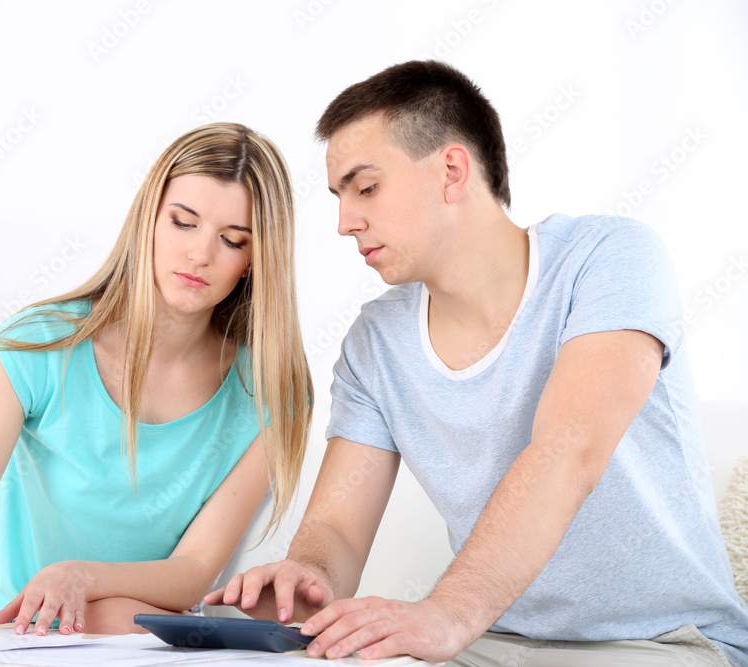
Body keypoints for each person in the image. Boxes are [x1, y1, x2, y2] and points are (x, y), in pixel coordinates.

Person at [206, 61, 748, 666]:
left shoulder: (610, 258)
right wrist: (303, 578)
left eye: (366, 187)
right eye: (339, 197)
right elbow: (335, 531)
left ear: (452, 170)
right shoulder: (375, 343)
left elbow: (568, 451)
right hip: (491, 644)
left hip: (664, 642)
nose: (344, 223)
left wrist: (446, 613)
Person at [0, 122, 313, 645]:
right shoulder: (36, 348)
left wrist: (82, 577)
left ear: (254, 260)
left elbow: (194, 571)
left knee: (131, 620)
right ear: (148, 222)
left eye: (231, 240)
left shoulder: (272, 394)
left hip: (135, 628)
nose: (200, 254)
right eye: (183, 223)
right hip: (1, 619)